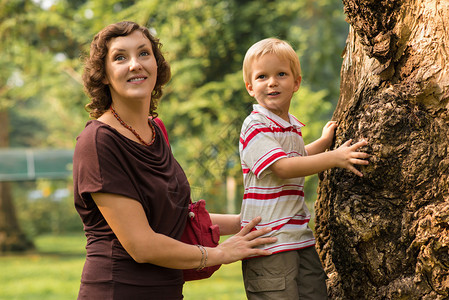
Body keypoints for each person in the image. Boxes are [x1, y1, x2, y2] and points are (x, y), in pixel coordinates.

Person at [73, 21, 277, 300]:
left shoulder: (156, 131)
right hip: (117, 291)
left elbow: (176, 217)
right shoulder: (98, 141)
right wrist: (221, 254)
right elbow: (141, 245)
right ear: (105, 75)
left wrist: (249, 222)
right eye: (120, 57)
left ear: (156, 65)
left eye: (144, 53)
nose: (135, 64)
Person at [239, 38, 370, 299]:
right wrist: (335, 157)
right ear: (250, 87)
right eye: (262, 76)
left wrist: (322, 143)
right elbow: (284, 167)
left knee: (315, 292)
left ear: (296, 82)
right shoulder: (255, 126)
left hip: (298, 235)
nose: (272, 82)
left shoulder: (289, 126)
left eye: (281, 74)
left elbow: (298, 156)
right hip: (269, 241)